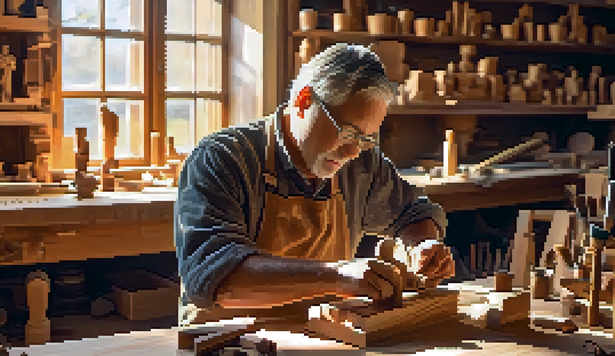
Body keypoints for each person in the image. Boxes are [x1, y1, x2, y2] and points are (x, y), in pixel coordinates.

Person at [174, 43, 455, 327]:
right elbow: (213, 278)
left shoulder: (360, 165)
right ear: (304, 101)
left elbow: (413, 213)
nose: (352, 152)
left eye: (366, 139)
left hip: (322, 331)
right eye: (348, 133)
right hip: (228, 338)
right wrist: (336, 276)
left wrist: (423, 245)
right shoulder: (223, 159)